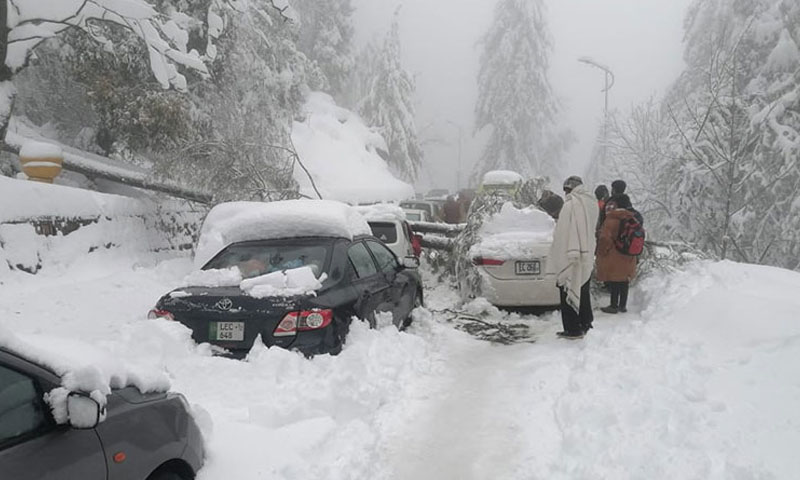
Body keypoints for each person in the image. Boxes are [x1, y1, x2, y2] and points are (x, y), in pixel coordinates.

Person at [547, 176, 600, 339]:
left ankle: (572, 328)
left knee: (568, 289)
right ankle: (585, 322)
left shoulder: (571, 205)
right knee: (583, 288)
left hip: (571, 255)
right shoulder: (591, 203)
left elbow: (563, 234)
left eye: (565, 190)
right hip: (587, 252)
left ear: (570, 189)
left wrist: (560, 252)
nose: (565, 193)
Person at [596, 194, 638, 314]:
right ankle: (622, 305)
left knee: (614, 280)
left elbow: (605, 239)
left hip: (614, 255)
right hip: (628, 254)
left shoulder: (611, 219)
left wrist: (601, 251)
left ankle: (613, 305)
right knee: (624, 281)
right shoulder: (631, 217)